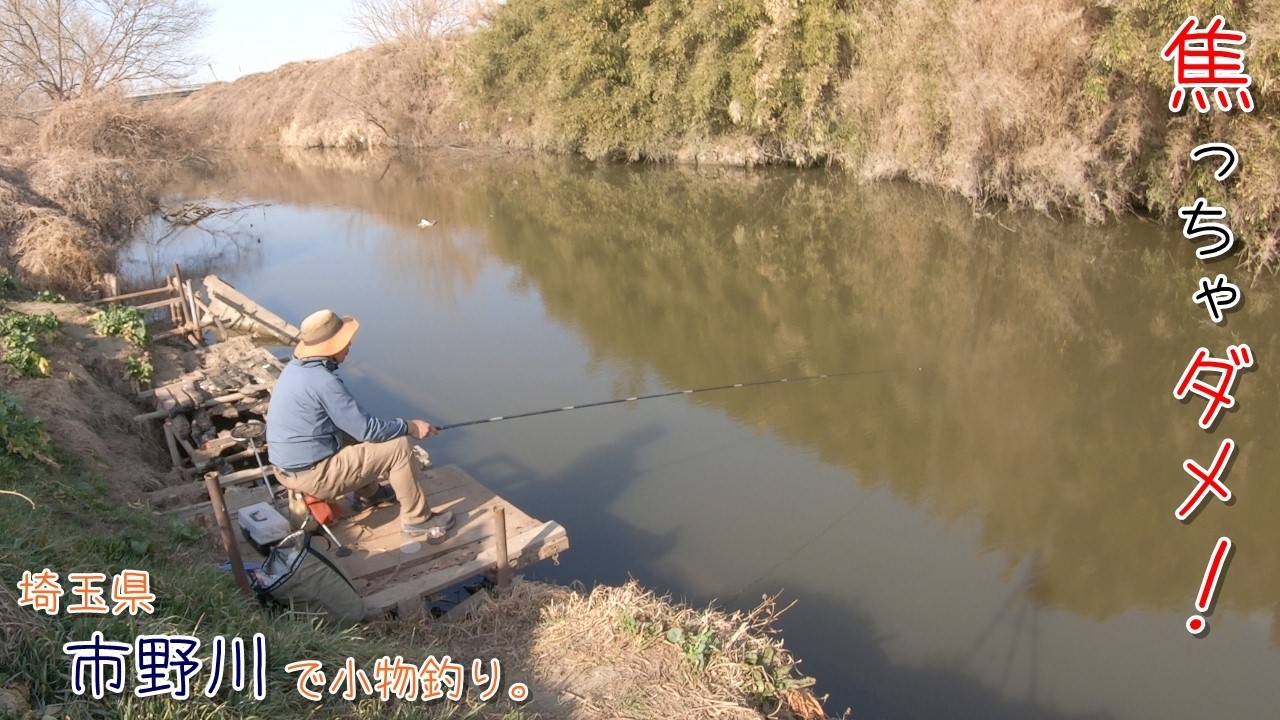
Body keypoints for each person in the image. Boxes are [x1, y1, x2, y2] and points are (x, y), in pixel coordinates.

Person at [266, 309, 454, 537]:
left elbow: (357, 428)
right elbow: (368, 429)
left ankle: (369, 494)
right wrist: (410, 426)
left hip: (287, 469)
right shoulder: (323, 381)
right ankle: (418, 519)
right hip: (311, 475)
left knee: (353, 434)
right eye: (345, 342)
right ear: (332, 348)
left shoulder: (296, 369)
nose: (349, 346)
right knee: (399, 447)